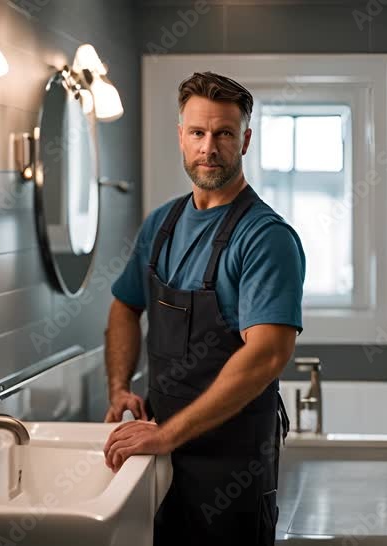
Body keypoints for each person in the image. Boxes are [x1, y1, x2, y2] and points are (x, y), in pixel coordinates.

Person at [102, 72, 305, 545]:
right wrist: (118, 388)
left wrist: (168, 435)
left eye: (224, 134)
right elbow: (124, 306)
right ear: (181, 136)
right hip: (161, 449)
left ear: (245, 140)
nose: (208, 148)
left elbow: (268, 354)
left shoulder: (265, 238)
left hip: (231, 462)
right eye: (197, 133)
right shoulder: (162, 224)